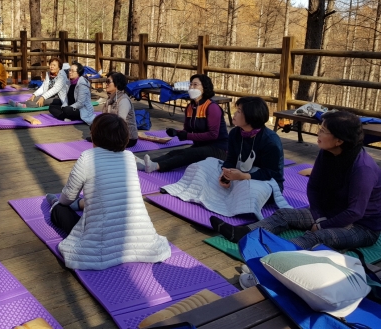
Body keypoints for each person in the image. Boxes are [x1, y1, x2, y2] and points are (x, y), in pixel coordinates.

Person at [211, 110, 381, 251]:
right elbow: (313, 186)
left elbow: (355, 212)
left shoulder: (363, 169)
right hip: (331, 211)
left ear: (339, 140)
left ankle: (275, 254)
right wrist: (319, 217)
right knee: (284, 214)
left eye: (323, 131)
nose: (318, 133)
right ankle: (242, 232)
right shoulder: (326, 153)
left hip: (361, 226)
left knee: (317, 236)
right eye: (320, 128)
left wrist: (321, 226)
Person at [46, 113, 171, 271]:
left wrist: (60, 203)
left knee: (60, 209)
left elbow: (67, 197)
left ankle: (54, 204)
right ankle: (80, 204)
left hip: (101, 243)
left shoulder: (87, 157)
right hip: (141, 238)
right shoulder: (129, 157)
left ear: (95, 136)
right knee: (105, 200)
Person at [138, 74, 229, 173]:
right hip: (201, 146)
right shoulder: (190, 108)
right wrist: (176, 132)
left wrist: (187, 135)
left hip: (219, 149)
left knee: (189, 153)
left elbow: (213, 135)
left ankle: (156, 166)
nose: (191, 87)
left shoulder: (212, 107)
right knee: (175, 152)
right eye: (191, 84)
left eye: (195, 84)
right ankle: (146, 163)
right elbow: (187, 131)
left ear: (204, 88)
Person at [92, 71, 138, 148]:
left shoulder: (124, 100)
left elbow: (120, 123)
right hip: (113, 133)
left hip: (126, 138)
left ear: (117, 84)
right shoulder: (111, 98)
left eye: (108, 82)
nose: (106, 84)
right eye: (106, 81)